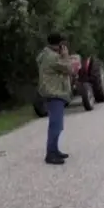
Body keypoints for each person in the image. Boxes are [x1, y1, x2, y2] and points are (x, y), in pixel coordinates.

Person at [36, 33, 74, 165]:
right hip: (54, 93)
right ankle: (50, 154)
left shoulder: (46, 55)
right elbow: (69, 69)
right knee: (56, 125)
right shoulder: (53, 58)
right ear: (59, 45)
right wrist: (66, 56)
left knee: (57, 124)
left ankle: (54, 150)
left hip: (52, 92)